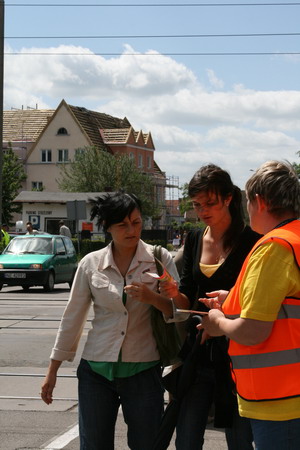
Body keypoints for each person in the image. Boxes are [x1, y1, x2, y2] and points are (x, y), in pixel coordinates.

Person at [40, 191, 185, 450]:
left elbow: (179, 311)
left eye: (137, 222)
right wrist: (53, 370)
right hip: (96, 371)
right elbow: (72, 317)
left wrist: (152, 298)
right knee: (94, 445)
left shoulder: (159, 258)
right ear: (107, 227)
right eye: (122, 225)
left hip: (143, 369)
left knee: (148, 444)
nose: (132, 230)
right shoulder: (91, 264)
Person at [199, 161, 300, 450]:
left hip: (279, 401)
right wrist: (230, 299)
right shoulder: (295, 239)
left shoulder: (274, 247)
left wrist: (217, 322)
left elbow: (253, 331)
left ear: (259, 201)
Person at [159, 164, 260, 450]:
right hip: (198, 352)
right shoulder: (193, 238)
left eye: (210, 203)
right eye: (197, 204)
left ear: (229, 199)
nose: (203, 211)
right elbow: (186, 301)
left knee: (240, 440)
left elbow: (256, 301)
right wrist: (172, 292)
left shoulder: (253, 241)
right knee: (187, 439)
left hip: (237, 356)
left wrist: (225, 318)